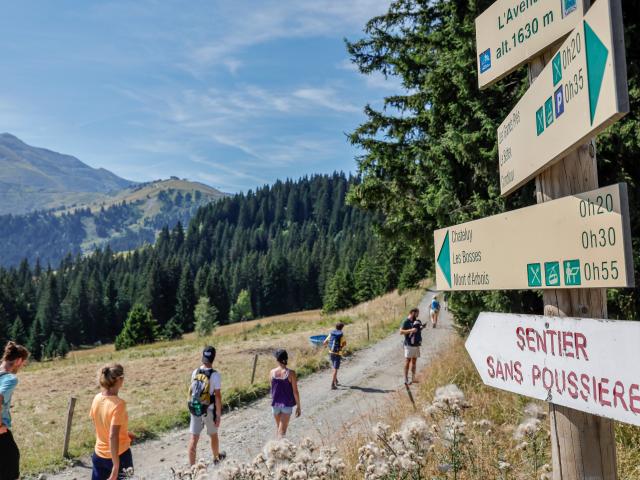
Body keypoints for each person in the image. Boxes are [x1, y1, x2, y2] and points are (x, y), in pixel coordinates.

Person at [90, 363, 136, 480]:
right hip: (119, 456)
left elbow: (99, 424)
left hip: (98, 455)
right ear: (119, 380)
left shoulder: (97, 398)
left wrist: (125, 433)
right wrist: (116, 466)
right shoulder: (119, 405)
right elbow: (113, 435)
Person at [187, 346, 225, 466]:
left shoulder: (195, 372)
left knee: (194, 438)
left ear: (203, 357)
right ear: (213, 358)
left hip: (195, 408)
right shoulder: (215, 375)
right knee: (213, 435)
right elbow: (217, 396)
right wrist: (218, 415)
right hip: (209, 410)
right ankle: (216, 458)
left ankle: (192, 468)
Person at [0, 341, 30, 480]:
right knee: (11, 465)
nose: (22, 366)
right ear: (18, 360)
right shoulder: (10, 378)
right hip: (1, 431)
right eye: (23, 363)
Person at [270, 349, 301, 438]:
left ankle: (276, 448)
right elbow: (295, 392)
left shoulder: (272, 372)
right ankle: (278, 449)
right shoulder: (291, 373)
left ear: (277, 360)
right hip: (286, 405)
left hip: (275, 405)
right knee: (281, 432)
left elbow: (272, 390)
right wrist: (298, 407)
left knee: (279, 430)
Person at [399, 308, 425, 385]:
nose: (418, 315)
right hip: (408, 345)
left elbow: (416, 331)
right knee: (408, 361)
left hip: (416, 344)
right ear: (413, 312)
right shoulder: (406, 321)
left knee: (414, 361)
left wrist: (421, 328)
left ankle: (413, 378)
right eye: (417, 313)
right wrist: (411, 330)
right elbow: (401, 332)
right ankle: (406, 379)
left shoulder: (415, 321)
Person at [323, 322, 346, 390]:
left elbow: (324, 342)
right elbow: (344, 343)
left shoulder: (331, 333)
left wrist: (326, 346)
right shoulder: (341, 335)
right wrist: (341, 347)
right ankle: (332, 384)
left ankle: (336, 380)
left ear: (336, 327)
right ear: (342, 328)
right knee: (335, 369)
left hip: (331, 352)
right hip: (338, 353)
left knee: (334, 367)